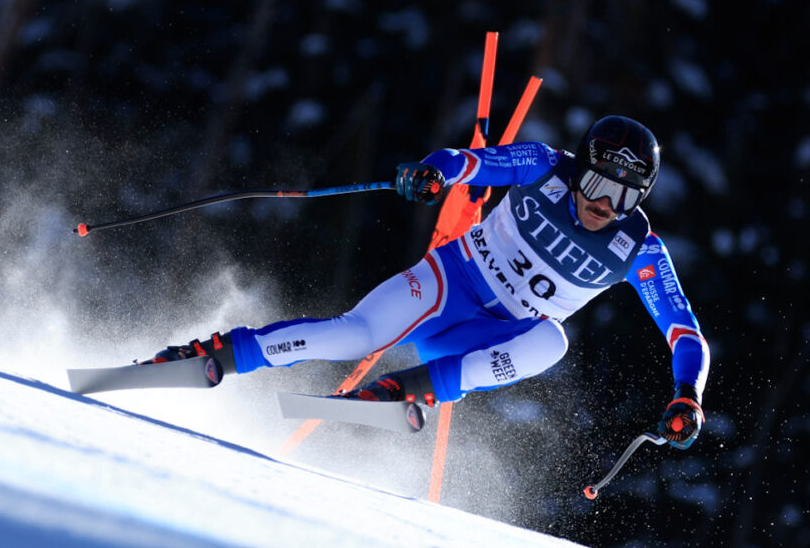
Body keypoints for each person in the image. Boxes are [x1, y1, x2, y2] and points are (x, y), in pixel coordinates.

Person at [142, 116, 710, 449]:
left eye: (623, 196)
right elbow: (473, 161)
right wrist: (436, 173)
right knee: (356, 334)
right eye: (596, 183)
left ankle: (408, 391)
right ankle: (216, 355)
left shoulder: (639, 249)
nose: (603, 204)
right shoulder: (546, 165)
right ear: (580, 166)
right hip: (450, 283)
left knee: (553, 341)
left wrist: (689, 393)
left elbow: (685, 333)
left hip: (481, 339)